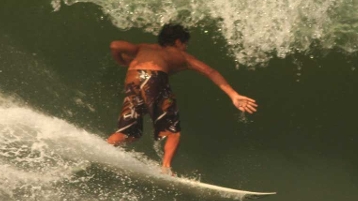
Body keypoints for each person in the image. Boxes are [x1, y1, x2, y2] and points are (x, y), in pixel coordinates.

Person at [106, 23, 258, 174]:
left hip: (133, 80)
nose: (185, 47)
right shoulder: (182, 55)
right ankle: (165, 167)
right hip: (153, 79)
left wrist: (122, 62)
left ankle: (105, 148)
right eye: (185, 44)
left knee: (129, 133)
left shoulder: (144, 47)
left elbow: (115, 45)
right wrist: (233, 95)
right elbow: (210, 72)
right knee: (172, 131)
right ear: (178, 42)